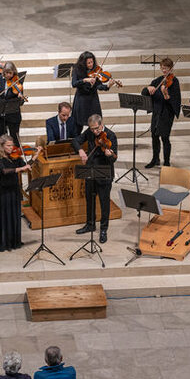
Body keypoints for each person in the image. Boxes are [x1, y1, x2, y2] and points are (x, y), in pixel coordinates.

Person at [72, 114, 118, 243]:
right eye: (92, 129)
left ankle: (104, 229)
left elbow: (114, 158)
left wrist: (109, 154)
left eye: (97, 129)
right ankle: (90, 224)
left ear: (101, 124)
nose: (95, 132)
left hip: (104, 174)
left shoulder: (111, 136)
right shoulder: (89, 132)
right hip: (90, 172)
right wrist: (80, 151)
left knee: (104, 203)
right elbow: (75, 141)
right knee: (90, 200)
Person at [0, 134, 32, 252]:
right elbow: (4, 171)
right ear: (2, 146)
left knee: (14, 215)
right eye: (8, 146)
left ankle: (14, 241)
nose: (11, 148)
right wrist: (19, 169)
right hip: (4, 190)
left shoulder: (16, 157)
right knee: (5, 216)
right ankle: (4, 243)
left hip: (14, 189)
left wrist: (35, 157)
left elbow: (26, 166)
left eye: (12, 145)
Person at [143, 57, 181, 168]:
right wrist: (148, 88)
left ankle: (167, 161)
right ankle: (155, 159)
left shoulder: (174, 82)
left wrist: (166, 94)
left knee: (165, 138)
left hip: (167, 114)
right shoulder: (158, 80)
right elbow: (144, 92)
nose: (164, 70)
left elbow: (176, 100)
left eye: (167, 68)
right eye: (162, 68)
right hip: (157, 112)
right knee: (154, 137)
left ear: (171, 68)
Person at [70, 51, 110, 136]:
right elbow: (74, 84)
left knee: (94, 125)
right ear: (83, 63)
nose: (91, 64)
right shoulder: (77, 69)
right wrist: (85, 80)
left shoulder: (96, 70)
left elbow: (99, 86)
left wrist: (108, 86)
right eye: (88, 63)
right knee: (78, 126)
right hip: (81, 100)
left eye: (92, 62)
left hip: (93, 100)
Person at [0, 61, 25, 143]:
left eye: (10, 73)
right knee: (1, 140)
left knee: (14, 140)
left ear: (14, 72)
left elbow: (21, 103)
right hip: (1, 115)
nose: (8, 75)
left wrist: (20, 98)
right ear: (3, 72)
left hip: (13, 115)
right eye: (6, 73)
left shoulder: (18, 81)